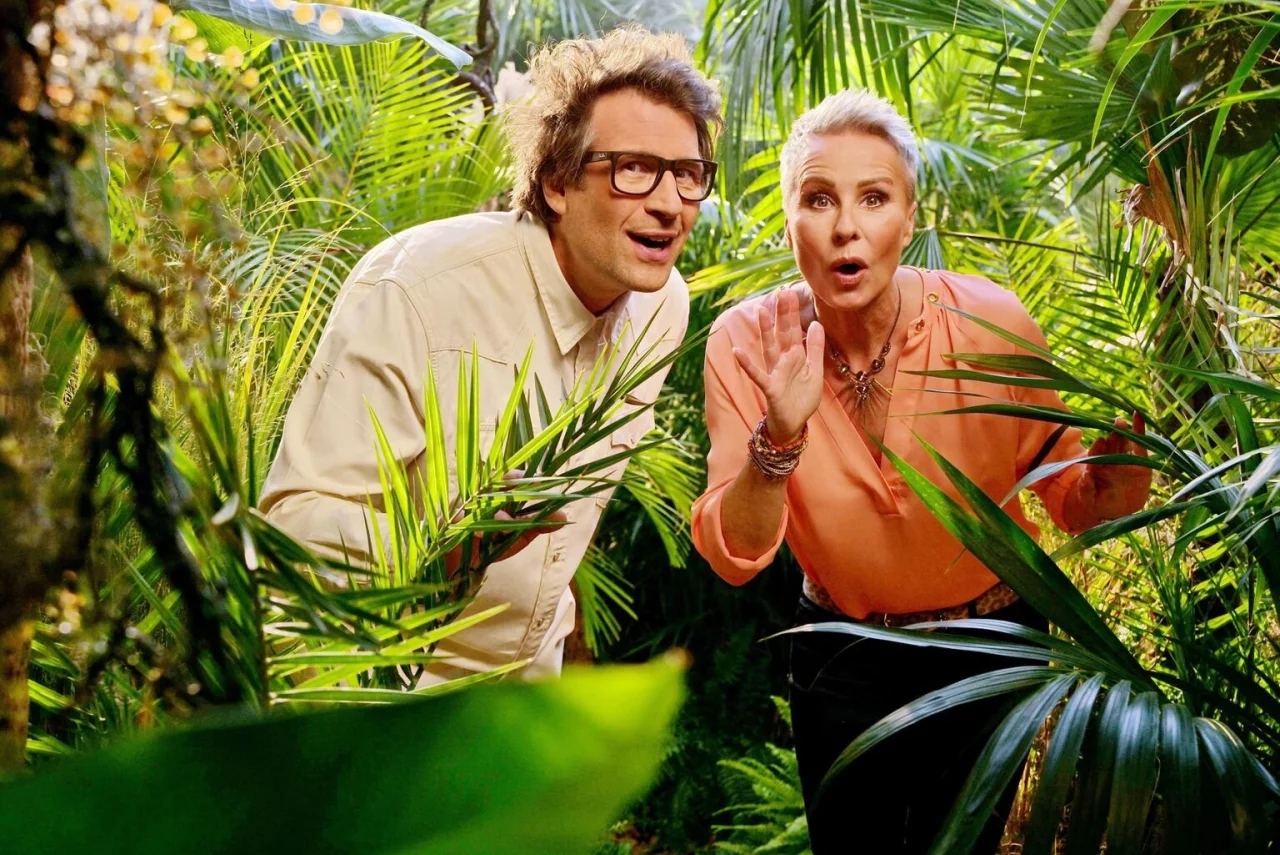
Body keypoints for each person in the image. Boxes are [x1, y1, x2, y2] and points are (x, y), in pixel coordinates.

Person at [690, 89, 1152, 854]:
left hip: (990, 646)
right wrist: (780, 435)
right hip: (841, 653)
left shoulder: (991, 322)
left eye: (874, 198)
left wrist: (1117, 486)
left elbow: (1070, 501)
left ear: (909, 219)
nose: (846, 226)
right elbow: (734, 552)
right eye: (818, 198)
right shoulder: (746, 342)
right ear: (789, 219)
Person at [259, 26, 721, 685]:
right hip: (387, 687)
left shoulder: (661, 307)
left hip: (528, 692)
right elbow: (294, 526)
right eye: (634, 169)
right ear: (558, 184)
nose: (670, 203)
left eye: (688, 175)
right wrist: (447, 542)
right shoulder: (418, 287)